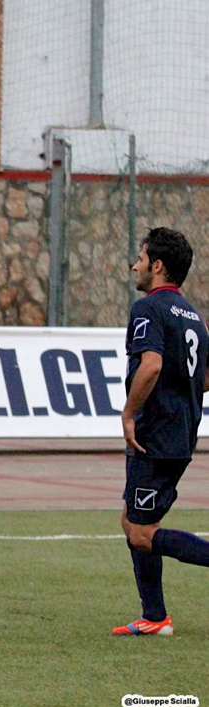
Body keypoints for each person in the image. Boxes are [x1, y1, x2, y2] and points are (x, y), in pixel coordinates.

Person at [114, 227, 209, 636]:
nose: (134, 265)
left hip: (154, 436)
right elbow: (204, 377)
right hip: (180, 433)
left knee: (140, 532)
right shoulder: (194, 317)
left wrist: (129, 413)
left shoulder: (148, 308)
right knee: (132, 519)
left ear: (157, 265)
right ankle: (154, 617)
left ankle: (156, 617)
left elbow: (150, 365)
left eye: (140, 258)